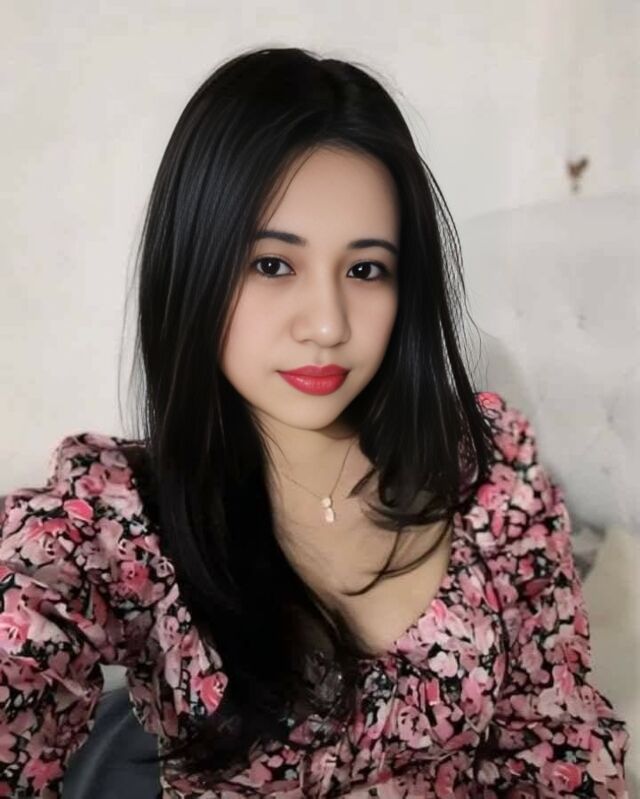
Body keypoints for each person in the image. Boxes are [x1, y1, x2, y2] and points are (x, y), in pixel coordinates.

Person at [0, 46, 629, 798]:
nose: (328, 325)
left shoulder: (487, 471)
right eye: (273, 264)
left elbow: (557, 743)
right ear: (194, 266)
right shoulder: (113, 517)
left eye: (365, 269)